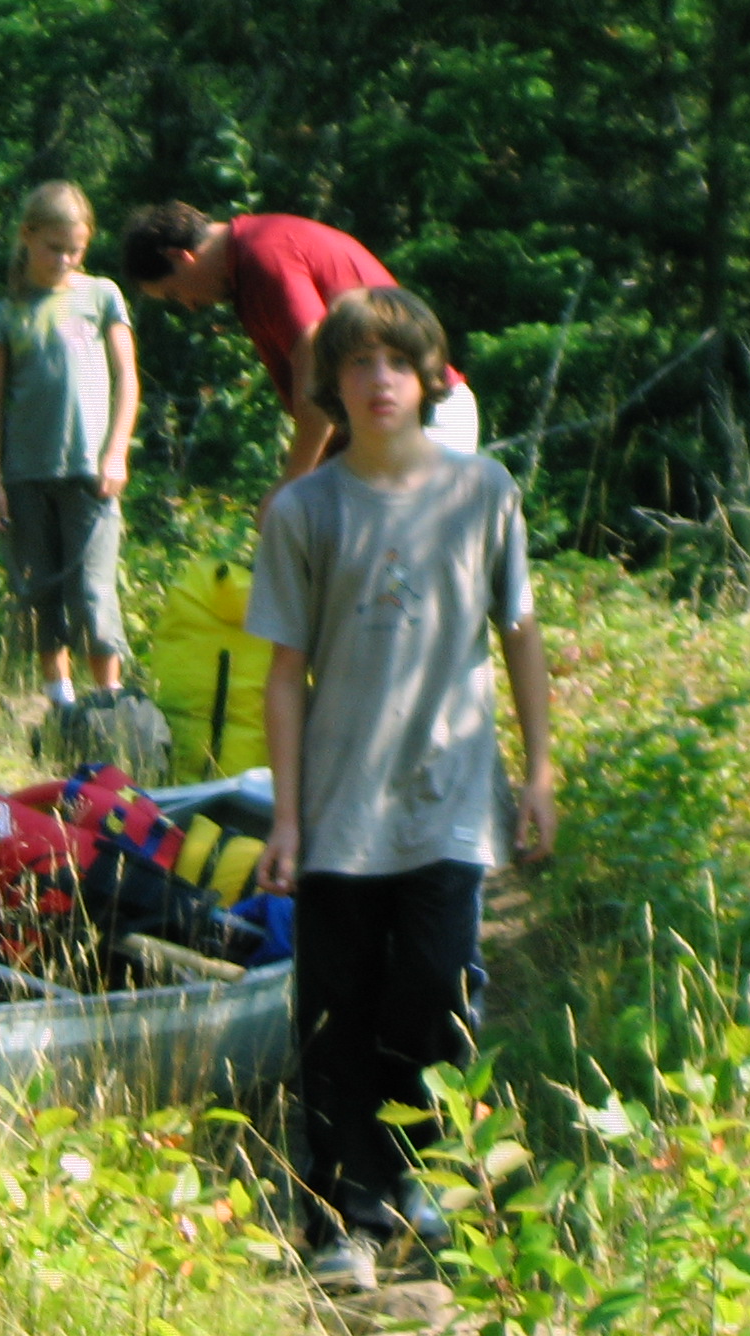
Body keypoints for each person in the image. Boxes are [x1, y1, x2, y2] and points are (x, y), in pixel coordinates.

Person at [245, 286, 557, 1291]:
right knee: (335, 1013)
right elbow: (284, 674)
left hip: (451, 802)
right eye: (357, 364)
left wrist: (540, 771)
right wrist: (285, 817)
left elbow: (520, 634)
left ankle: (421, 1172)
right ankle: (346, 1218)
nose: (378, 380)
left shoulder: (484, 491)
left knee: (435, 992)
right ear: (330, 388)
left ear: (428, 378)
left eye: (396, 362)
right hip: (339, 806)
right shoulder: (306, 510)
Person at [120, 204, 480, 506]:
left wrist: (292, 484)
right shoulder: (250, 258)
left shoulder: (263, 255)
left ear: (180, 256)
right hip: (384, 433)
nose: (188, 305)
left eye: (174, 294)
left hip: (423, 419)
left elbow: (316, 371)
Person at [0, 181, 138, 712]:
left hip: (91, 472)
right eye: (54, 248)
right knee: (38, 591)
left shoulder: (101, 296)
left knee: (93, 592)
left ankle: (110, 705)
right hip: (25, 475)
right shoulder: (5, 313)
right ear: (27, 236)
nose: (65, 259)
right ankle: (60, 706)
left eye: (76, 249)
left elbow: (128, 378)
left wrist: (117, 452)